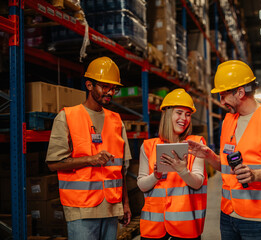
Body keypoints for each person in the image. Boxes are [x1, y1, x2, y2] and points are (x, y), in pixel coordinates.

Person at [187, 60, 261, 240]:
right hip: (228, 214)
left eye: (223, 95)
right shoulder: (228, 121)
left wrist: (256, 176)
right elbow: (226, 168)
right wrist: (209, 155)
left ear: (240, 92)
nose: (221, 101)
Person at [46, 56, 132, 240]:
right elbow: (53, 164)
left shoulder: (117, 121)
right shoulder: (67, 117)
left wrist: (125, 204)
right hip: (81, 210)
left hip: (111, 207)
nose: (110, 92)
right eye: (105, 86)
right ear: (89, 85)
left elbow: (121, 170)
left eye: (114, 88)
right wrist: (89, 159)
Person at [137, 88, 207, 240]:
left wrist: (183, 171)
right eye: (179, 112)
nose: (184, 118)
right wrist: (155, 176)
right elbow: (142, 185)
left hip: (185, 226)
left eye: (188, 114)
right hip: (154, 226)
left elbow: (198, 183)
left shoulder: (196, 144)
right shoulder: (148, 146)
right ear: (167, 114)